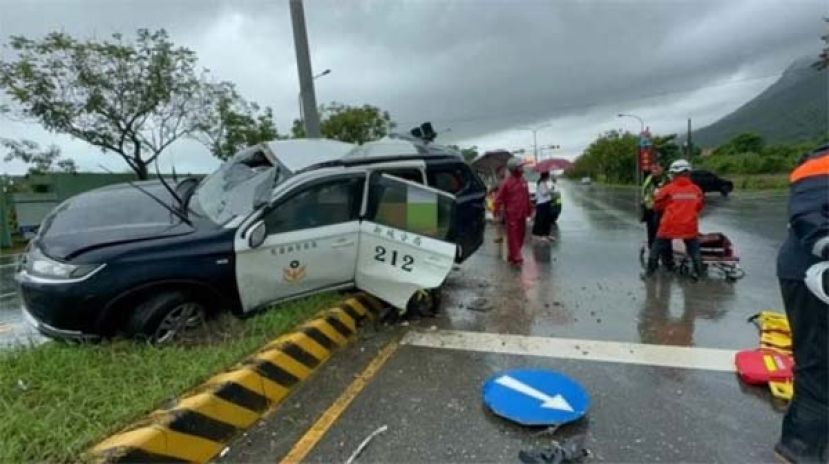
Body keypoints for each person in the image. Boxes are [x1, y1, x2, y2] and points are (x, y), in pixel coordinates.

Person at [774, 144, 828, 463]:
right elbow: (811, 218)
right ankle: (801, 448)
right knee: (820, 365)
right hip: (813, 275)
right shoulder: (820, 166)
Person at [644, 159, 704, 279]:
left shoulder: (667, 189)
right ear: (688, 173)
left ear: (674, 173)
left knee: (656, 247)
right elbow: (699, 206)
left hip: (669, 225)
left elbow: (657, 206)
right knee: (694, 248)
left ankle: (649, 274)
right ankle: (699, 274)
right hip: (689, 226)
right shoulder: (696, 189)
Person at [495, 157, 533, 266]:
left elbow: (527, 197)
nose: (523, 168)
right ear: (515, 168)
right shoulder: (507, 183)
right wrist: (496, 212)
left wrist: (530, 210)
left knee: (521, 235)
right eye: (520, 166)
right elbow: (498, 198)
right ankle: (517, 257)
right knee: (513, 237)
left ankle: (512, 255)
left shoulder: (523, 181)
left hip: (522, 213)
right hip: (511, 214)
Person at [641, 163, 667, 249]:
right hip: (651, 207)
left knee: (662, 230)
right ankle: (652, 248)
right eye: (653, 168)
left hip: (663, 208)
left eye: (657, 167)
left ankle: (663, 248)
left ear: (663, 169)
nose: (654, 169)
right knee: (651, 228)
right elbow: (645, 193)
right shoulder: (649, 179)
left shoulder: (667, 179)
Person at [532, 171, 555, 241]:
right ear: (546, 176)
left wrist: (551, 190)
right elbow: (544, 193)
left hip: (547, 203)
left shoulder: (544, 183)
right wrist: (550, 190)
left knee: (547, 220)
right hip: (542, 204)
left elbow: (546, 193)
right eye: (548, 176)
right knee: (541, 220)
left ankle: (547, 234)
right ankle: (539, 235)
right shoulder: (541, 183)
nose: (549, 177)